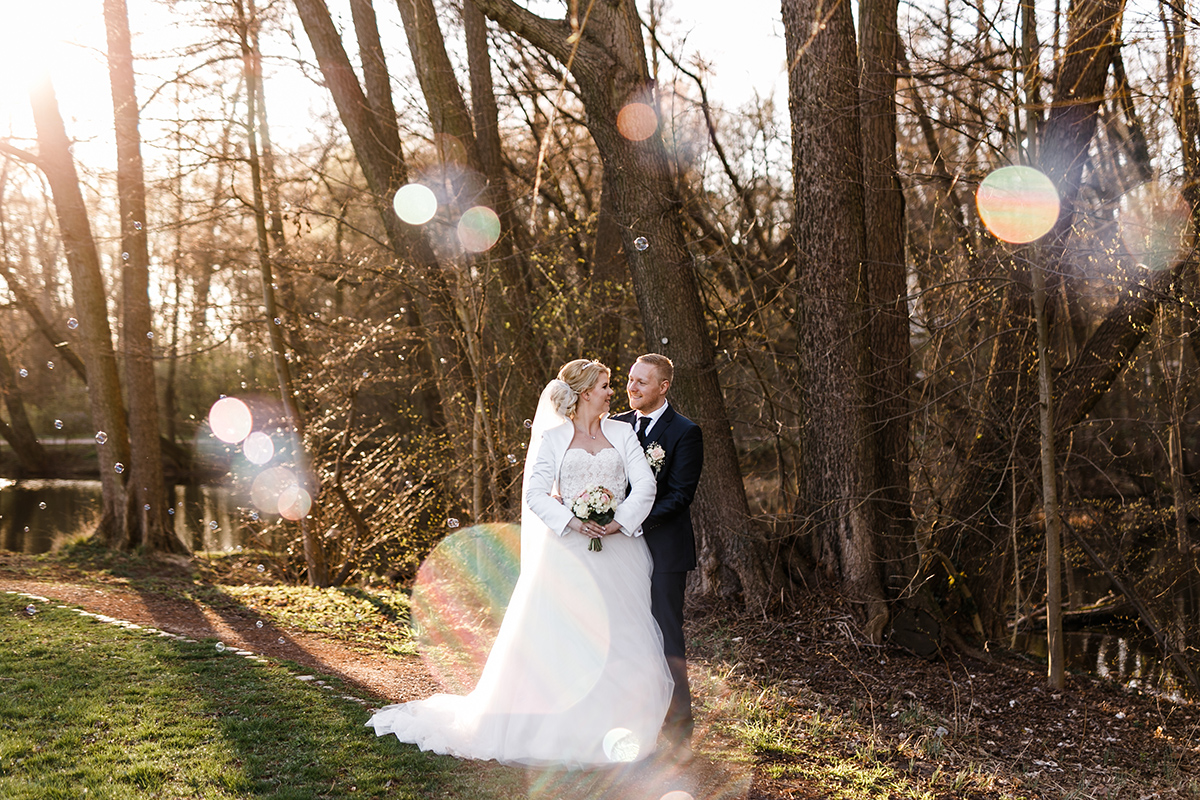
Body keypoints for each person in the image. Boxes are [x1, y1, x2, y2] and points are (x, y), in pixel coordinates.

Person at [367, 359, 673, 768]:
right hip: (568, 552)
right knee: (567, 639)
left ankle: (620, 729)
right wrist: (573, 522)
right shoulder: (553, 437)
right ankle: (560, 730)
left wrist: (617, 522)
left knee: (623, 636)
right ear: (585, 393)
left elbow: (646, 484)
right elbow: (536, 493)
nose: (611, 392)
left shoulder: (621, 432)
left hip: (620, 551)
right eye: (604, 385)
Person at [612, 353, 703, 758]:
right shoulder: (613, 425)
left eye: (641, 382)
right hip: (616, 550)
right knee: (623, 634)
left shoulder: (685, 432)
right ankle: (628, 717)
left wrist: (628, 520)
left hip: (663, 549)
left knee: (667, 635)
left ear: (663, 386)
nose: (631, 387)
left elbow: (681, 496)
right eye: (630, 380)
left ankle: (678, 730)